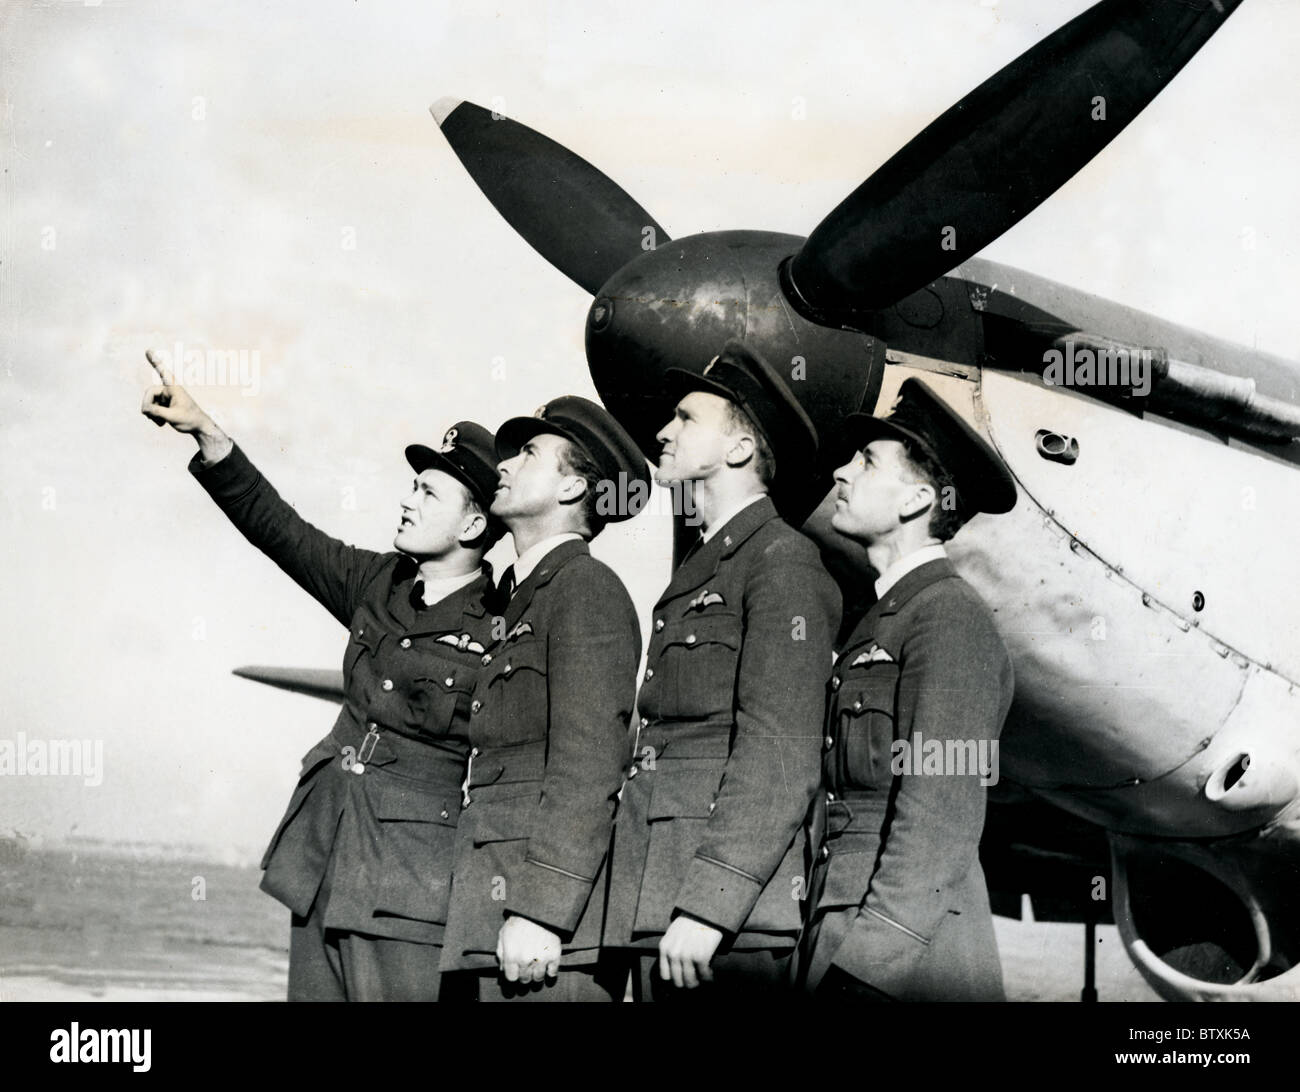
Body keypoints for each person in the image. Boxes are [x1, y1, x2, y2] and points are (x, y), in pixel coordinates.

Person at [141, 350, 501, 1001]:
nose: (408, 500)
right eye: (412, 487)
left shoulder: (503, 629)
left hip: (409, 894)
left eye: (429, 492)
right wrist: (208, 433)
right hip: (324, 858)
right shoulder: (375, 584)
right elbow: (282, 531)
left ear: (474, 523)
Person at [604, 340, 841, 999]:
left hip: (719, 923)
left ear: (739, 450)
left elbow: (782, 750)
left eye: (685, 419)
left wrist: (711, 901)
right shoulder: (713, 564)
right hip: (664, 901)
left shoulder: (781, 563)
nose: (662, 431)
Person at [800, 377, 1017, 1002]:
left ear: (918, 499)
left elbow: (941, 810)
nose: (841, 472)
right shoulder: (884, 616)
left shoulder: (948, 617)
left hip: (904, 960)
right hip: (846, 924)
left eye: (866, 461)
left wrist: (868, 966)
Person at [437, 396, 646, 1002]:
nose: (503, 465)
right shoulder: (524, 597)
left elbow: (590, 763)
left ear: (573, 487)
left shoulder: (586, 589)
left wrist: (543, 911)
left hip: (542, 935)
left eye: (528, 453)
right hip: (491, 914)